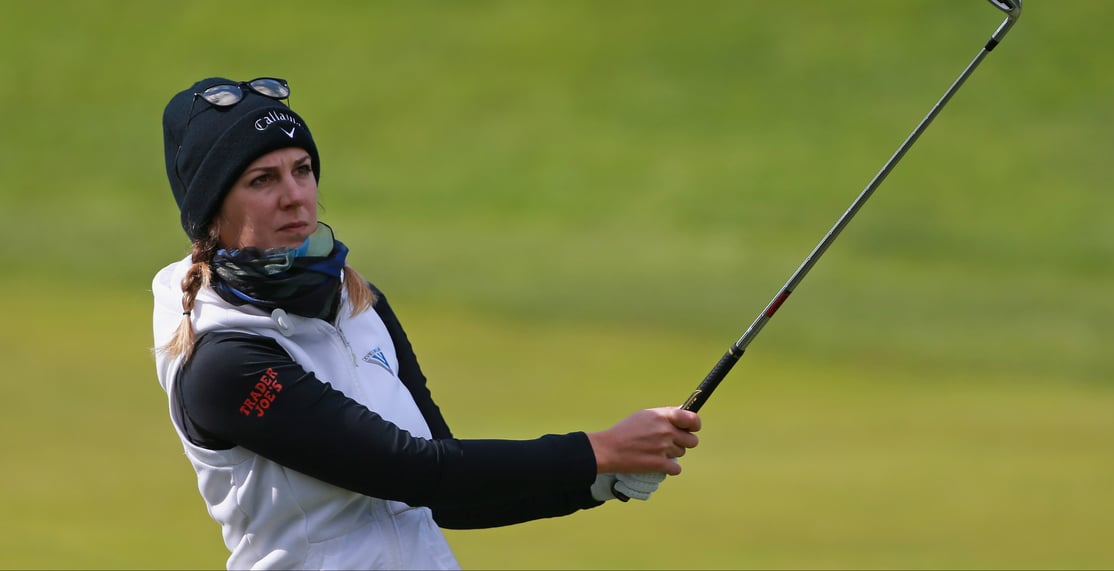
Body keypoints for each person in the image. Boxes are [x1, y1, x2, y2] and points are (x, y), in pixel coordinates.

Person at [151, 76, 702, 570]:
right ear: (213, 212)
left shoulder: (356, 300)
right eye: (262, 180)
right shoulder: (223, 361)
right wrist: (596, 448)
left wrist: (601, 481)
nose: (295, 196)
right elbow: (413, 470)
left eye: (302, 170)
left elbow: (448, 498)